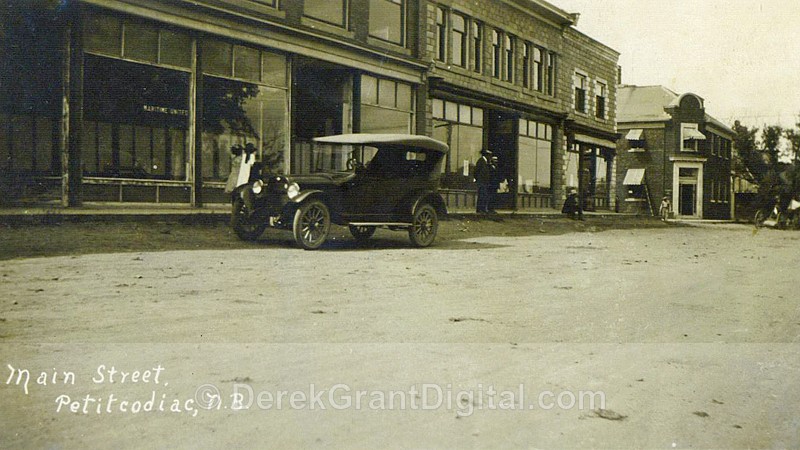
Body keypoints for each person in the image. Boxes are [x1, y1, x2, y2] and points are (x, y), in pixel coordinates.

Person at [474, 149, 494, 214]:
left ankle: (482, 209)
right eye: (489, 155)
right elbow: (477, 171)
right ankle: (480, 209)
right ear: (486, 155)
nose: (490, 157)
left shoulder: (486, 162)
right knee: (482, 195)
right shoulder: (481, 161)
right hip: (482, 182)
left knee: (484, 195)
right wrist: (478, 179)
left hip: (484, 182)